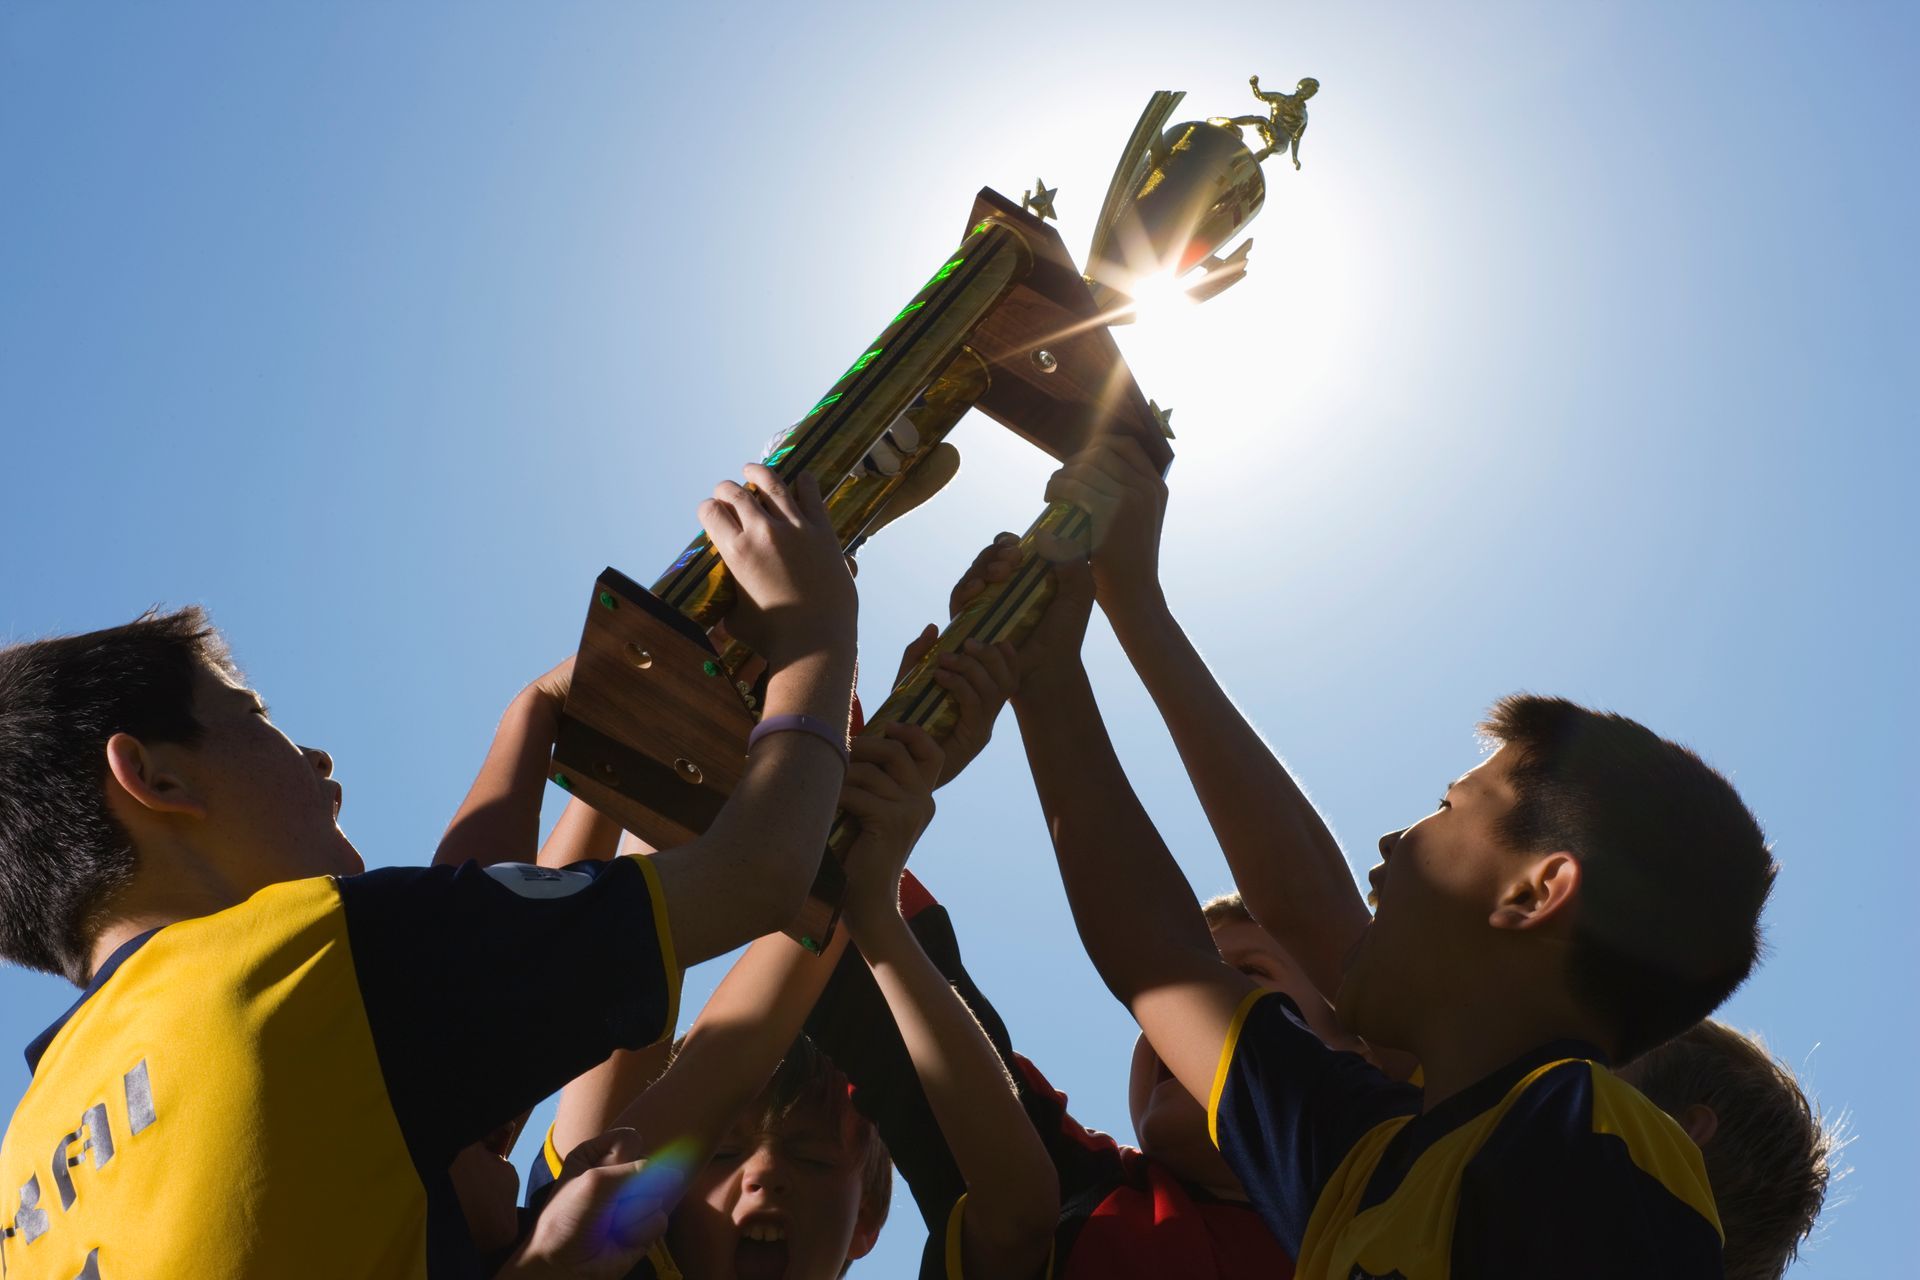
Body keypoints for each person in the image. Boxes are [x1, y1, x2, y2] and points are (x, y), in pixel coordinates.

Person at [0, 465, 859, 1278]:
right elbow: (758, 872)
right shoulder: (302, 959)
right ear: (155, 779)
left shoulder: (27, 1162)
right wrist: (819, 627)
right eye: (253, 717)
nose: (313, 754)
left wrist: (545, 711)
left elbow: (452, 945)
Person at [1055, 433, 1835, 1276]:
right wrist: (1056, 662)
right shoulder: (1366, 1163)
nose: (1390, 841)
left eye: (1447, 806)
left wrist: (1123, 615)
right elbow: (1162, 958)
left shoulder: (1591, 1137)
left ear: (1537, 894)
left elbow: (1289, 919)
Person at [524, 721, 1058, 1279]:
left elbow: (1019, 1220)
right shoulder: (597, 1256)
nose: (767, 1173)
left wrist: (869, 890)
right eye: (720, 1153)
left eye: (813, 1158)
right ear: (668, 1197)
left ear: (867, 1220)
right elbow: (682, 1043)